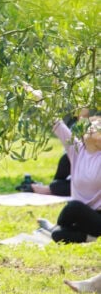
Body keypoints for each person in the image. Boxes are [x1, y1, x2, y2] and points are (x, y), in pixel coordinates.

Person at [23, 85, 101, 243]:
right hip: (79, 220)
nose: (90, 128)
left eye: (97, 127)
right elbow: (57, 124)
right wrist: (39, 99)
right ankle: (83, 236)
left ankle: (56, 227)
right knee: (58, 236)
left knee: (73, 206)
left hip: (97, 219)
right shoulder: (77, 151)